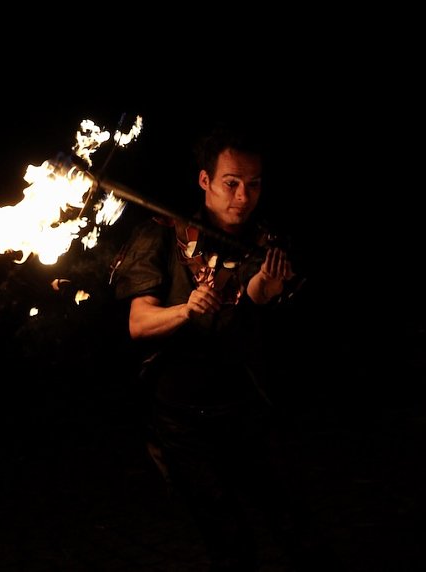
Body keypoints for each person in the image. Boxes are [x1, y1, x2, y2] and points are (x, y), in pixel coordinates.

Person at [110, 122, 329, 571]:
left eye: (254, 184)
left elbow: (255, 293)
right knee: (229, 540)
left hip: (244, 408)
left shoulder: (263, 241)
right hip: (180, 421)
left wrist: (267, 285)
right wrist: (185, 310)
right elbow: (138, 324)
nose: (243, 197)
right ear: (205, 180)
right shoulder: (161, 233)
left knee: (295, 525)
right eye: (231, 183)